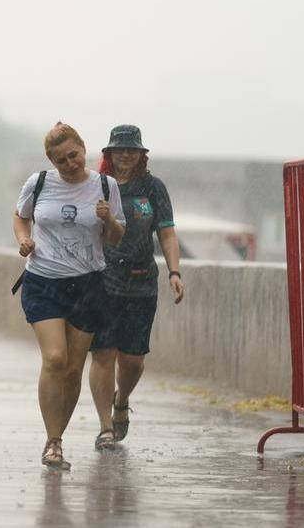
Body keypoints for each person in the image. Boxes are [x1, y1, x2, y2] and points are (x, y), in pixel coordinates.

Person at [12, 122, 125, 468]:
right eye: (61, 160)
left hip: (87, 284)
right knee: (55, 359)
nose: (70, 164)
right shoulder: (38, 183)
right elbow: (20, 217)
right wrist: (24, 240)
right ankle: (53, 441)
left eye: (73, 155)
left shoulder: (105, 186)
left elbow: (116, 238)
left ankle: (56, 439)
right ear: (52, 161)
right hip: (43, 280)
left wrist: (108, 220)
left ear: (83, 148)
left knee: (74, 369)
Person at [88, 125, 184, 450]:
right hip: (102, 279)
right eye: (120, 149)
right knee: (103, 353)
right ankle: (105, 426)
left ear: (142, 155)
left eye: (132, 150)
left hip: (141, 281)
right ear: (109, 154)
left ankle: (122, 399)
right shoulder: (97, 186)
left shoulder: (153, 188)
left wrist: (174, 272)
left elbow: (167, 233)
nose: (126, 155)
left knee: (132, 360)